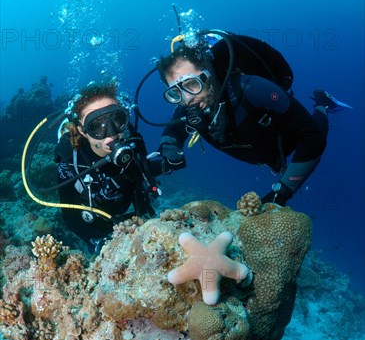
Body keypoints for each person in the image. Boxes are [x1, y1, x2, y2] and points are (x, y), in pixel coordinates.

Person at [155, 32, 352, 206]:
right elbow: (173, 131)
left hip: (284, 141)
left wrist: (282, 191)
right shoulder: (188, 105)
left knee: (318, 128)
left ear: (209, 73)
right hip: (259, 153)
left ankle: (323, 102)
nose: (187, 98)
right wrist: (167, 150)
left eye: (192, 84)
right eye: (175, 93)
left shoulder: (252, 89)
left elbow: (313, 137)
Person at [54, 82, 162, 254]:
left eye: (117, 119)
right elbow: (69, 215)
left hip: (134, 217)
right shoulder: (70, 161)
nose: (112, 133)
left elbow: (144, 172)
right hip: (98, 225)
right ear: (82, 131)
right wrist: (95, 240)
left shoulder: (133, 143)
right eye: (96, 125)